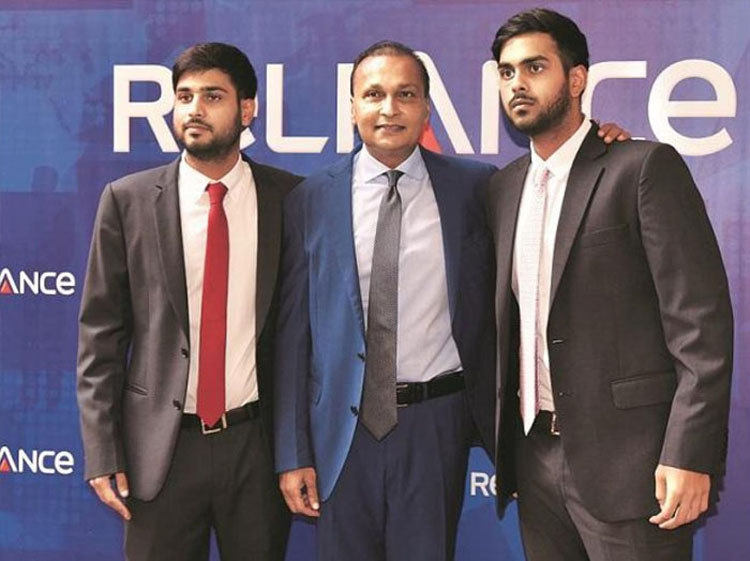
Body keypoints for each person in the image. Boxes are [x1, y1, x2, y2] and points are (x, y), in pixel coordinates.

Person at [484, 8, 733, 561]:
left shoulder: (641, 168)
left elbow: (700, 327)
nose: (517, 83)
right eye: (506, 72)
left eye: (535, 67)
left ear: (576, 79)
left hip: (634, 466)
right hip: (534, 461)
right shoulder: (502, 190)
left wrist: (689, 453)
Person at [273, 40, 498, 561]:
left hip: (435, 424)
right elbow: (292, 337)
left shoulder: (476, 188)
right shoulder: (310, 199)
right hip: (340, 430)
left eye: (406, 94)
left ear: (426, 108)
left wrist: (604, 138)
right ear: (352, 107)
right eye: (374, 94)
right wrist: (293, 451)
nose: (389, 108)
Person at [76, 42, 299, 561]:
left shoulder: (291, 199)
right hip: (160, 449)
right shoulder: (127, 200)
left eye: (213, 96)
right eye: (184, 96)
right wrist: (102, 449)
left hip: (256, 446)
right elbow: (100, 338)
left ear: (247, 109)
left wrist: (297, 450)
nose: (195, 109)